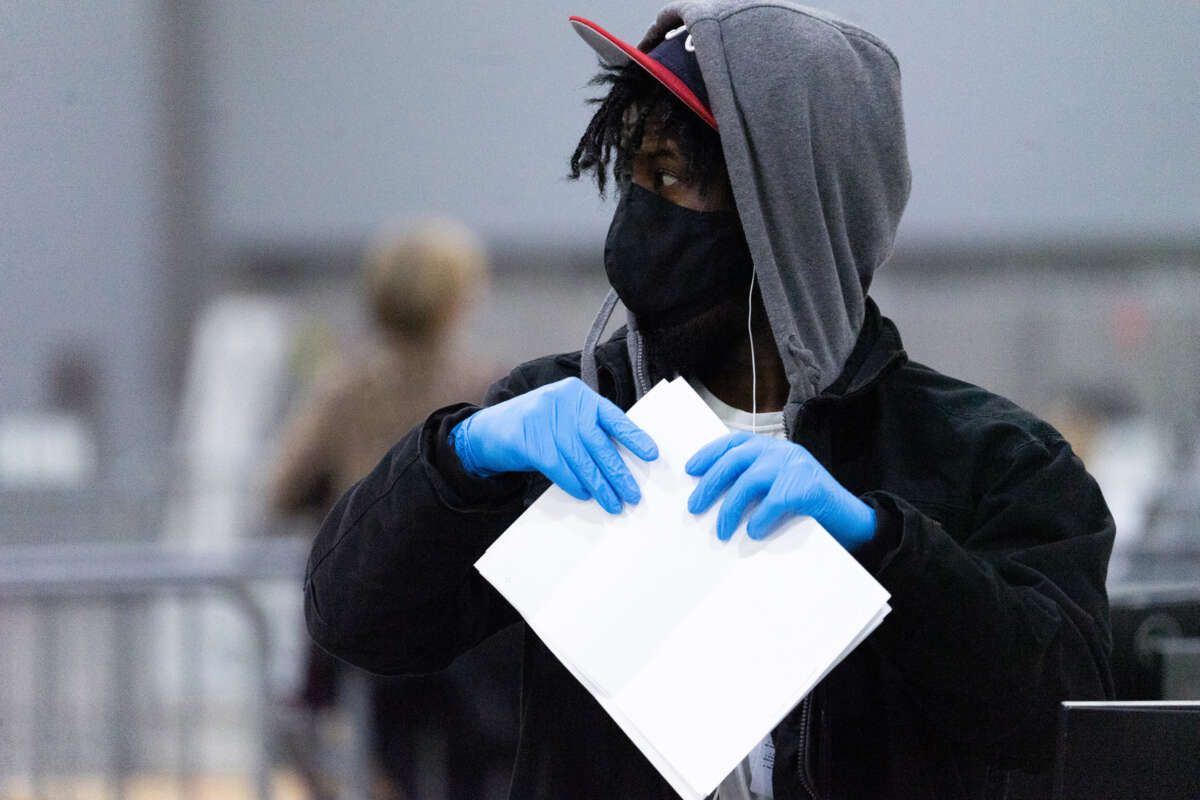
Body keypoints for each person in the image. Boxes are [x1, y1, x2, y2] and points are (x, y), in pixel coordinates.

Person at [304, 3, 1115, 798]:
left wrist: (882, 544)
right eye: (631, 175)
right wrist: (460, 457)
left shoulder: (991, 460)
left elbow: (1056, 716)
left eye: (672, 176)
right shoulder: (574, 421)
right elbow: (356, 620)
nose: (638, 213)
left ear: (788, 211)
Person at [269, 217, 516, 799]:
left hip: (379, 610)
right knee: (476, 771)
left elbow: (282, 487)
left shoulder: (346, 387)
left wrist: (338, 499)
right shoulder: (488, 387)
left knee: (389, 768)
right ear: (457, 302)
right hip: (470, 622)